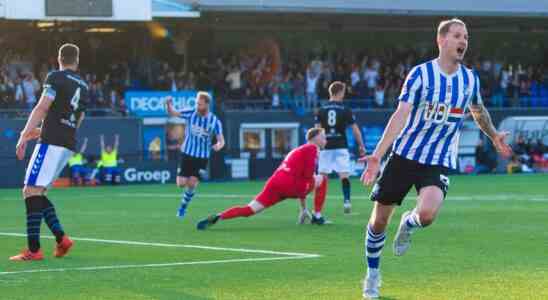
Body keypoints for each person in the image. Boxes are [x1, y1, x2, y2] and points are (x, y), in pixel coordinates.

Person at [359, 19, 513, 299]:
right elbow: (401, 115)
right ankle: (372, 275)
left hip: (438, 158)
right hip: (405, 155)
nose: (463, 41)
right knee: (379, 221)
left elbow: (478, 111)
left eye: (466, 37)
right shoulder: (420, 75)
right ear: (441, 41)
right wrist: (377, 156)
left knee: (427, 214)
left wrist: (493, 135)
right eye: (457, 36)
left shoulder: (469, 79)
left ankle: (409, 223)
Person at [11, 43, 88, 261]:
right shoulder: (84, 85)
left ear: (59, 58)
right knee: (37, 192)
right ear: (77, 60)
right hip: (67, 143)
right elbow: (77, 120)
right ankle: (62, 239)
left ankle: (34, 250)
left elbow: (42, 107)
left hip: (51, 143)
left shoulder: (56, 77)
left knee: (30, 190)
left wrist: (24, 134)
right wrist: (38, 132)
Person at [195, 128, 327, 230]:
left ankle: (219, 216)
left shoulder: (298, 150)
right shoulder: (312, 148)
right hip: (290, 185)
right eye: (323, 137)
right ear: (314, 138)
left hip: (275, 182)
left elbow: (302, 180)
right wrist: (314, 181)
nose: (325, 140)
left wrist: (303, 207)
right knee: (323, 177)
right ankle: (317, 216)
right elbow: (308, 176)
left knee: (249, 210)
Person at [165, 91, 225, 218]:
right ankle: (186, 187)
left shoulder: (214, 121)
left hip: (202, 157)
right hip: (187, 153)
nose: (197, 106)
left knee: (192, 183)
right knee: (181, 184)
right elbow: (173, 112)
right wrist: (168, 104)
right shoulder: (191, 113)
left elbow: (221, 140)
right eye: (197, 103)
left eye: (200, 104)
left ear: (207, 104)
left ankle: (183, 207)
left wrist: (219, 146)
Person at [313, 81, 366, 223]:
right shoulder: (345, 109)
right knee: (344, 175)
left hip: (325, 146)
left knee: (322, 178)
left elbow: (317, 130)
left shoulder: (321, 109)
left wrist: (316, 147)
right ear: (340, 92)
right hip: (341, 145)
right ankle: (347, 201)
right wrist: (361, 145)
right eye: (343, 92)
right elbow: (355, 129)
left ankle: (317, 211)